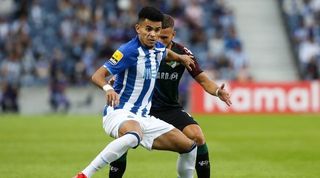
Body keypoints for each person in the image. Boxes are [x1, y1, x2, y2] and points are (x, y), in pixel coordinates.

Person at [73, 6, 199, 178]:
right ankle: (84, 175)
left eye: (157, 30)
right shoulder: (128, 51)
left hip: (144, 117)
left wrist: (181, 58)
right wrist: (108, 88)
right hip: (120, 111)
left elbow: (165, 53)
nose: (153, 34)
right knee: (133, 135)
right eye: (148, 29)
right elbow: (97, 75)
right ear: (138, 28)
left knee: (189, 147)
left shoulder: (158, 49)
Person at [108, 14, 232, 178]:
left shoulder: (182, 53)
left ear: (173, 35)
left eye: (164, 37)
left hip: (169, 108)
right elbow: (125, 70)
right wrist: (115, 80)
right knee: (122, 142)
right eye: (156, 35)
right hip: (141, 109)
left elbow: (202, 79)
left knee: (197, 136)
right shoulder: (142, 50)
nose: (158, 40)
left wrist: (218, 91)